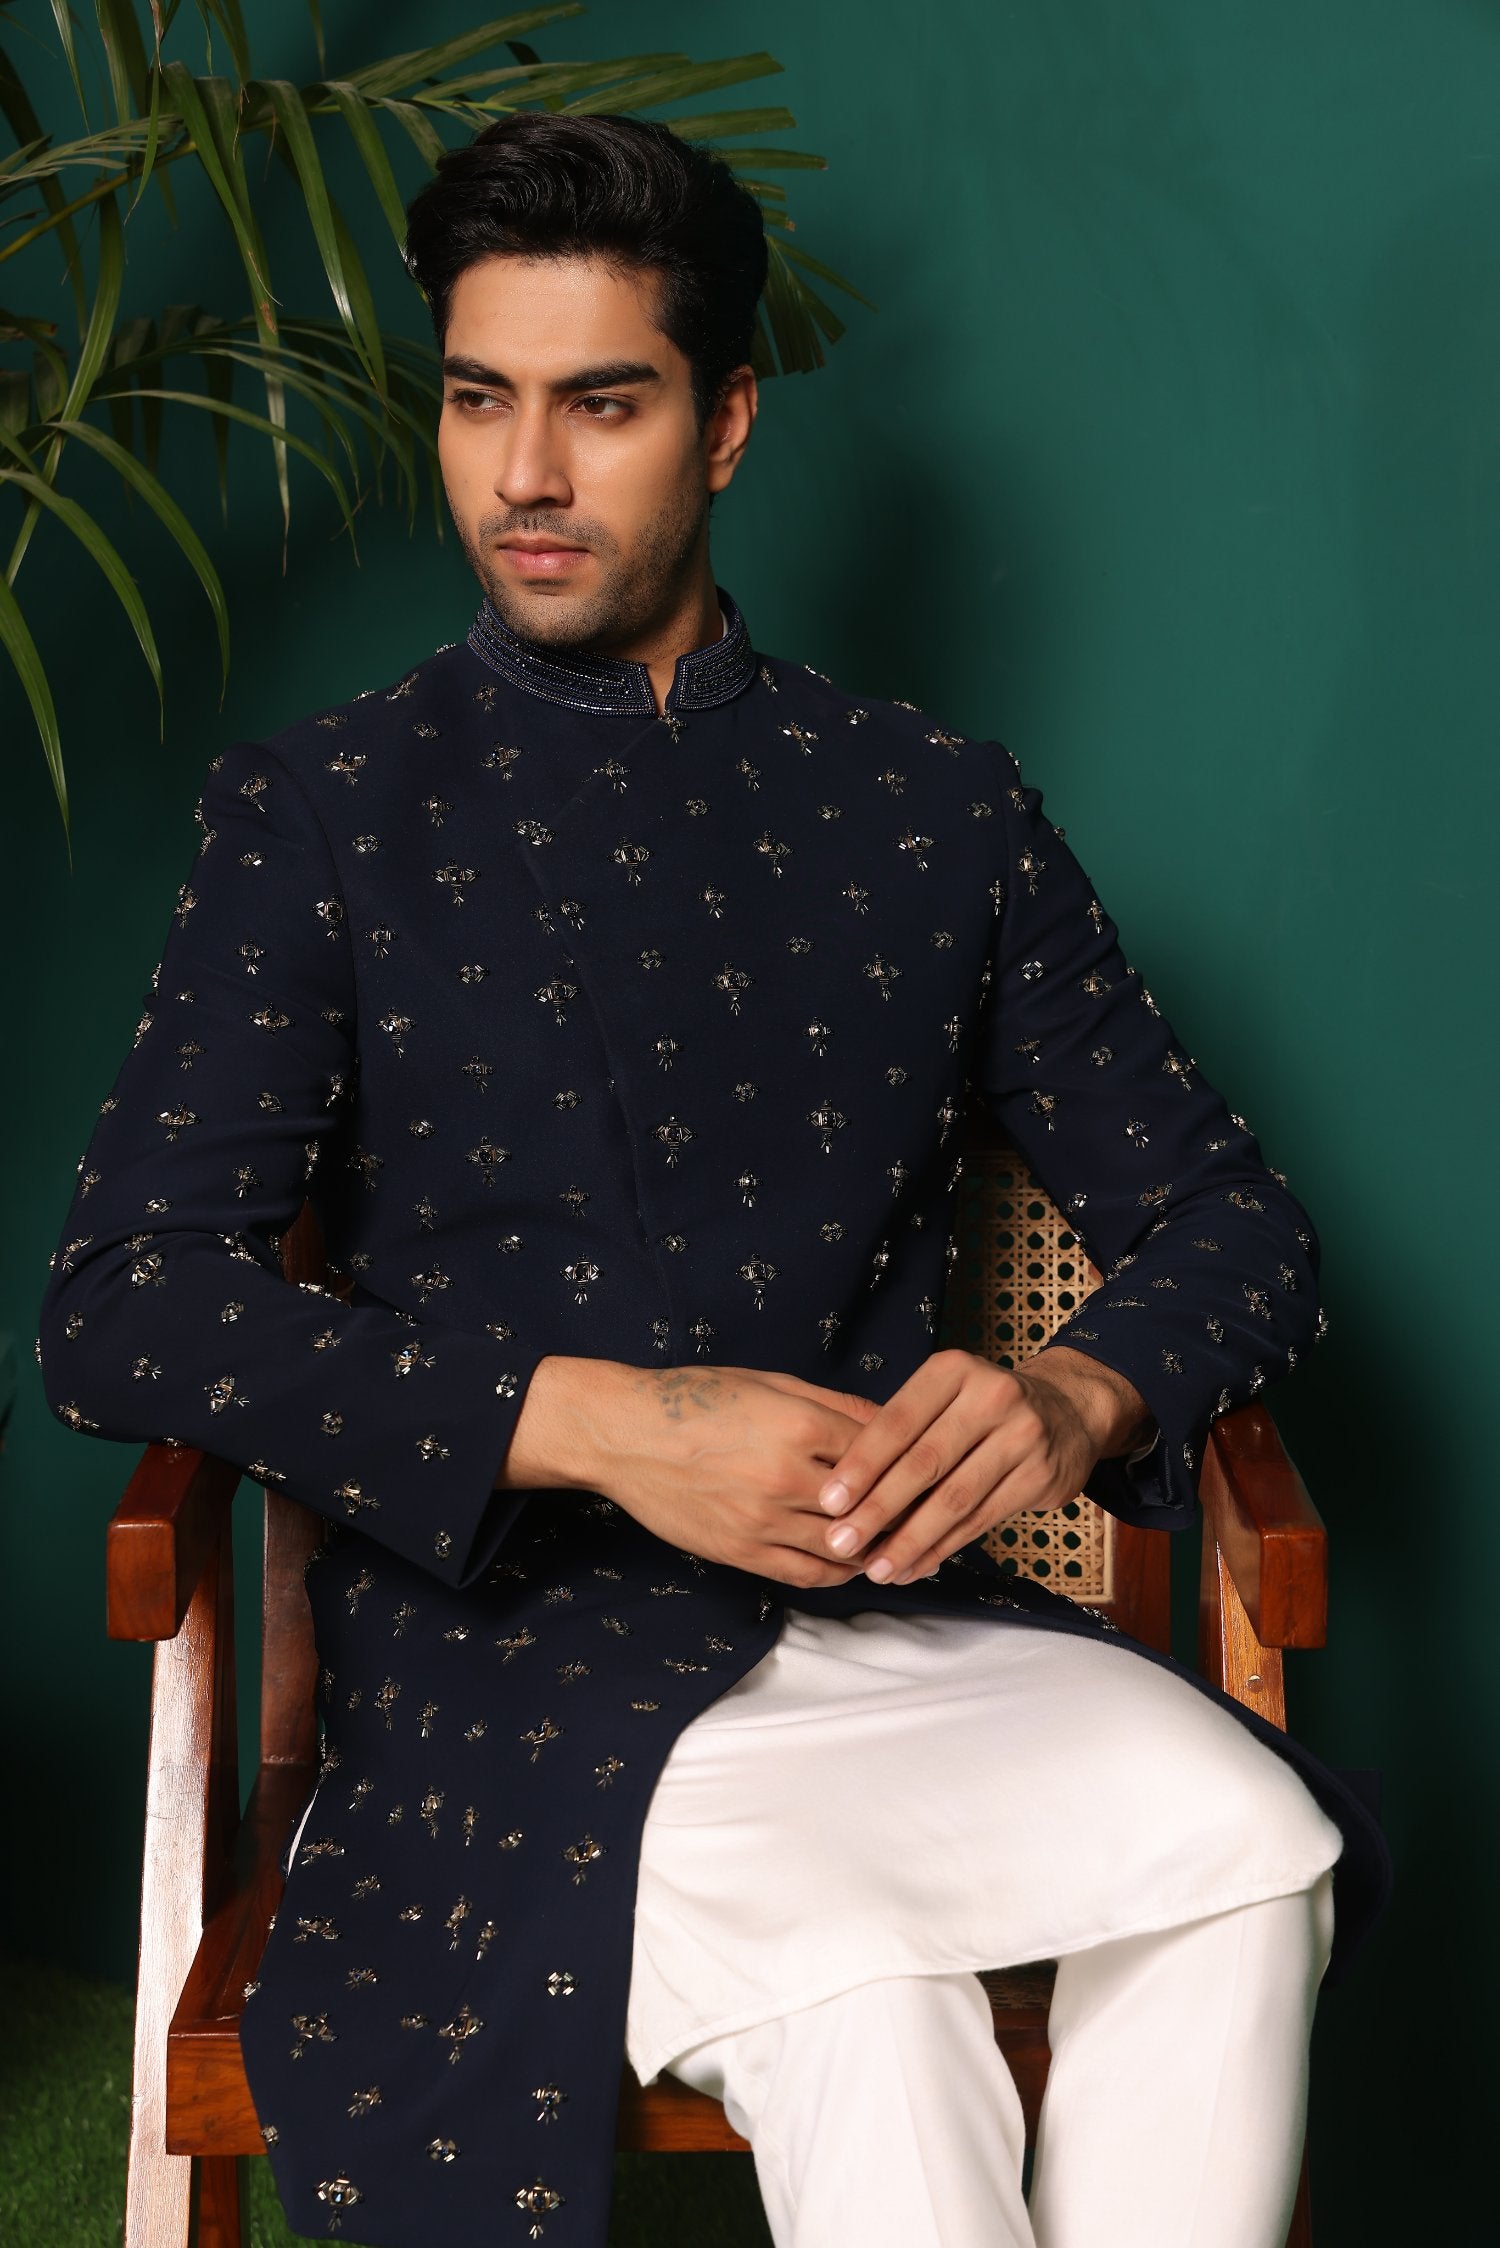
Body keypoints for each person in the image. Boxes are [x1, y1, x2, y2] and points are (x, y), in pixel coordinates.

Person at [37, 110, 1391, 2248]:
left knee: (1247, 1846)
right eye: (478, 399)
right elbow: (125, 1301)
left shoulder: (933, 809)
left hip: (890, 1621)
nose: (525, 473)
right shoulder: (326, 812)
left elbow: (1238, 1227)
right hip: (506, 1683)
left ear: (728, 421)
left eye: (603, 403)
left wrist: (1073, 1396)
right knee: (871, 2005)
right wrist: (598, 1420)